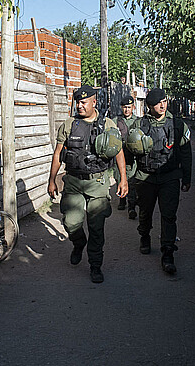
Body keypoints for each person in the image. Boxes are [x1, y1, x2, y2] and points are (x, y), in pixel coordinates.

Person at [47, 85, 128, 283]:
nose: (80, 106)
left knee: (96, 225)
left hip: (97, 182)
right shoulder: (69, 125)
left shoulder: (107, 124)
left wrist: (123, 179)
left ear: (94, 102)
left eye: (84, 102)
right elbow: (58, 154)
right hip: (74, 181)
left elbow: (118, 152)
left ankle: (95, 265)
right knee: (71, 222)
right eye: (78, 102)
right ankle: (78, 242)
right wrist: (51, 180)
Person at [129, 88, 192, 274]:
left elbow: (186, 153)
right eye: (158, 103)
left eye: (164, 101)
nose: (163, 105)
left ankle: (168, 253)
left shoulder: (178, 125)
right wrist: (128, 179)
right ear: (149, 106)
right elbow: (130, 153)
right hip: (145, 177)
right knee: (145, 212)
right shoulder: (139, 125)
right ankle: (144, 234)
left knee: (169, 215)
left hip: (170, 177)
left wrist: (187, 177)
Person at [114, 95, 140, 219]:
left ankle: (131, 207)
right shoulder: (116, 121)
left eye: (129, 107)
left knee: (132, 180)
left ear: (133, 107)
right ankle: (122, 200)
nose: (127, 110)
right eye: (124, 107)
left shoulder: (138, 121)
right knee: (119, 177)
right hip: (120, 154)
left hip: (132, 156)